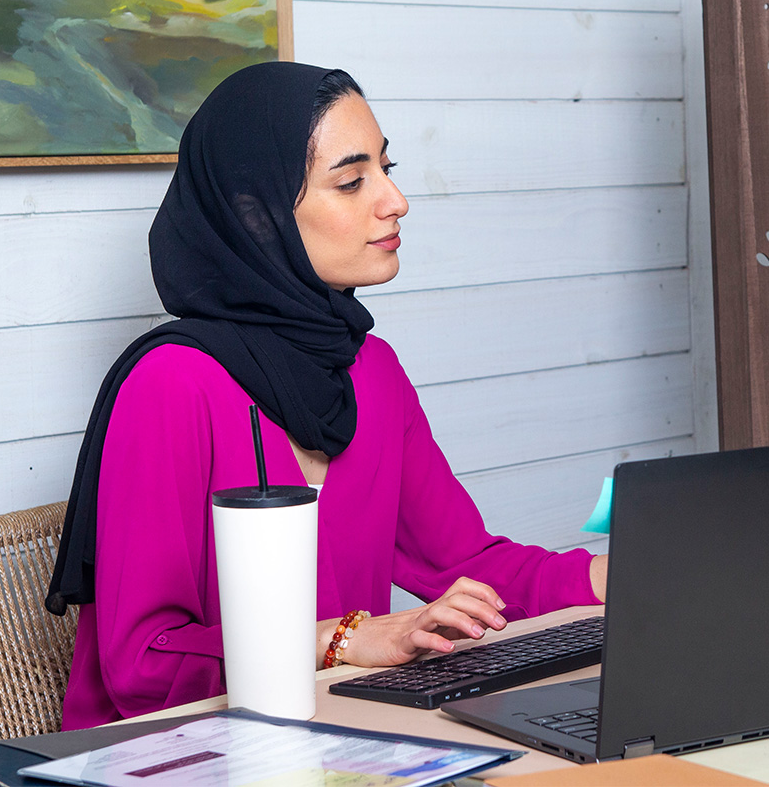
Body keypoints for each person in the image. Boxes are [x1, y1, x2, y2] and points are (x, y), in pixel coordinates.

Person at [47, 61, 607, 730]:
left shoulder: (372, 370)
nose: (396, 201)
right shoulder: (172, 384)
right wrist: (341, 640)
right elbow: (142, 666)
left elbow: (464, 563)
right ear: (256, 216)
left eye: (386, 168)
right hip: (172, 753)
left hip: (338, 737)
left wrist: (626, 573)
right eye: (351, 181)